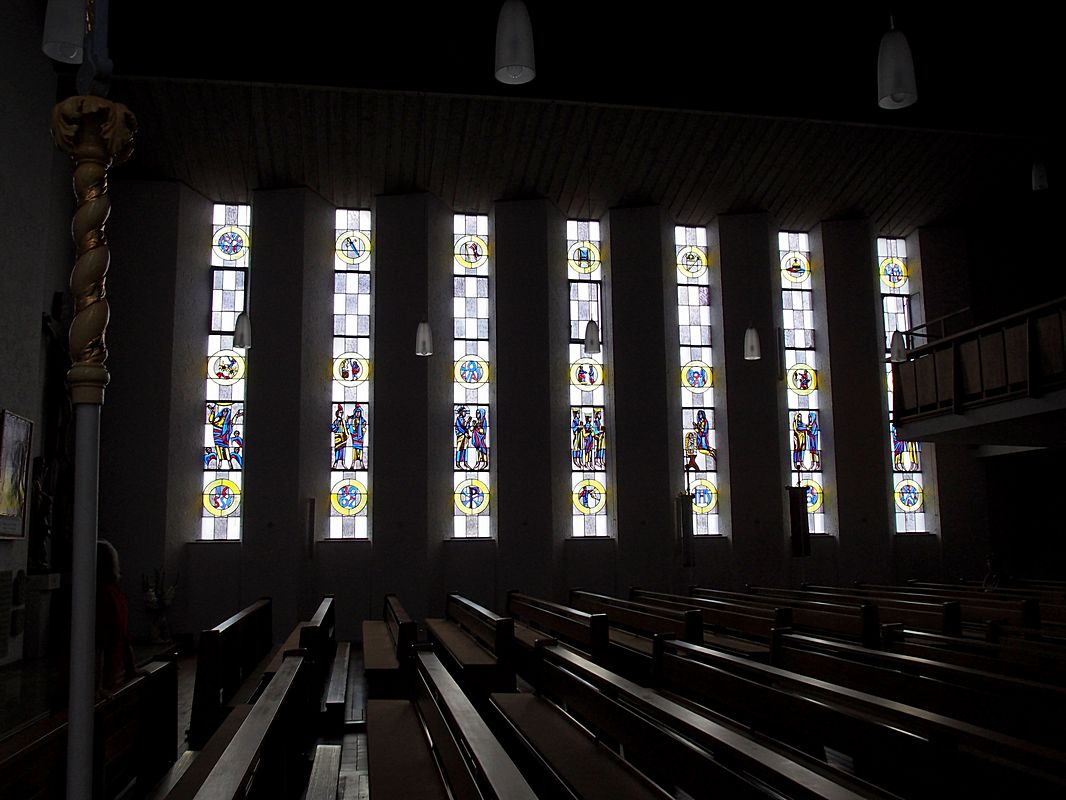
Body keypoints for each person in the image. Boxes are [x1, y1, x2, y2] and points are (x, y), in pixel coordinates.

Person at [96, 539, 136, 692]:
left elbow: (122, 635)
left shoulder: (108, 592)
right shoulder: (106, 594)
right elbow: (98, 642)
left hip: (108, 675)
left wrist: (131, 669)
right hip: (104, 677)